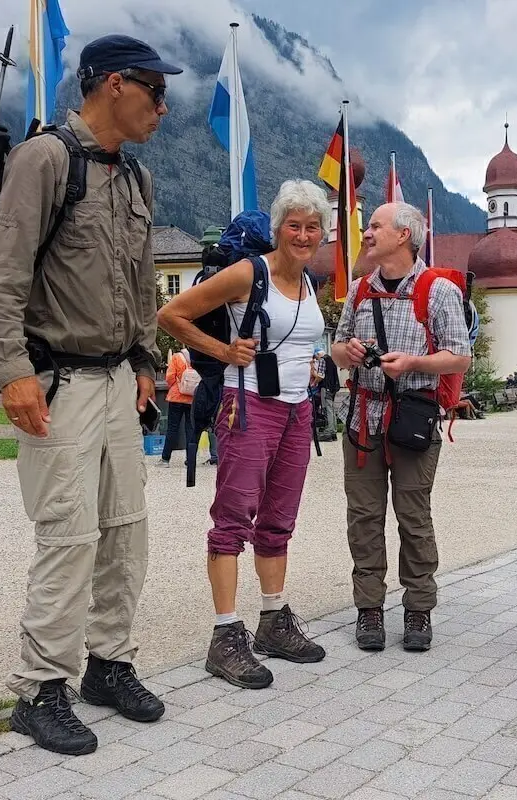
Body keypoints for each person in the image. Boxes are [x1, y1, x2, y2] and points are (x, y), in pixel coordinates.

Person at [0, 33, 181, 755]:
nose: (164, 106)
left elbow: (140, 281)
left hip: (120, 379)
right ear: (114, 85)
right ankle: (40, 690)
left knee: (125, 530)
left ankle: (107, 664)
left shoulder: (135, 179)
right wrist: (13, 372)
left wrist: (148, 358)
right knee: (67, 537)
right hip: (57, 380)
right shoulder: (46, 161)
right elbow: (0, 283)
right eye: (157, 92)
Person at [158, 180, 329, 689]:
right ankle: (225, 635)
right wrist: (223, 350)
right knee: (233, 519)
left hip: (298, 409)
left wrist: (317, 364)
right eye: (294, 225)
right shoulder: (248, 273)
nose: (303, 235)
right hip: (249, 405)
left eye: (312, 227)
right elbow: (171, 314)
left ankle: (273, 620)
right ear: (277, 229)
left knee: (279, 519)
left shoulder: (310, 283)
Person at [331, 201, 472, 653]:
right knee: (364, 518)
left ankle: (418, 609)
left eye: (375, 226)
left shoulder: (438, 291)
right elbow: (335, 347)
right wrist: (346, 353)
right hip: (362, 418)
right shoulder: (358, 291)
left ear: (404, 235)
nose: (367, 234)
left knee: (413, 516)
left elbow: (460, 356)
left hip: (414, 417)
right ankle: (369, 609)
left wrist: (413, 363)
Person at [161, 348, 217, 466]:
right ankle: (190, 459)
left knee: (172, 428)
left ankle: (165, 458)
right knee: (190, 429)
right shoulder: (198, 358)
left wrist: (177, 386)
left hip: (176, 397)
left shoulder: (177, 357)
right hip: (192, 398)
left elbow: (169, 377)